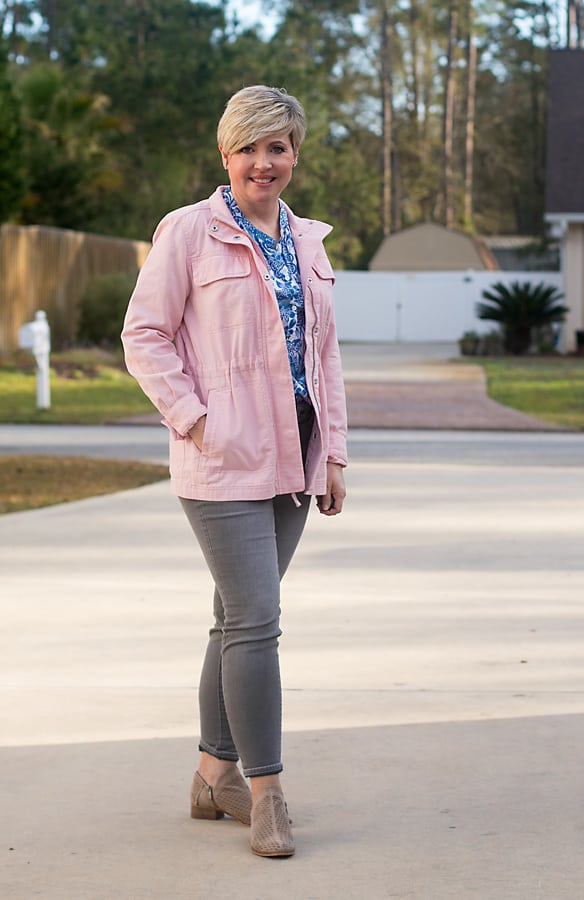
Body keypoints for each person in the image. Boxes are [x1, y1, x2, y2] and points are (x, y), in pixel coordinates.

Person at [121, 85, 347, 858]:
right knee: (258, 621)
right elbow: (144, 334)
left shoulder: (307, 241)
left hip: (295, 456)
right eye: (249, 147)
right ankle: (267, 791)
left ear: (294, 155)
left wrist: (336, 453)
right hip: (220, 460)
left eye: (278, 147)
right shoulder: (188, 232)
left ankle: (211, 773)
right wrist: (195, 418)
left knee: (235, 618)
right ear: (226, 154)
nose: (264, 162)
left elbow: (324, 358)